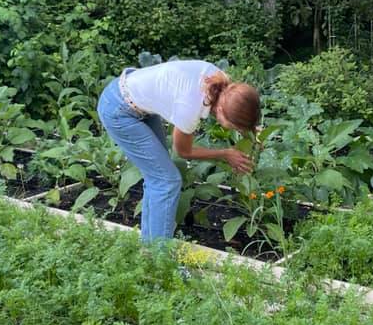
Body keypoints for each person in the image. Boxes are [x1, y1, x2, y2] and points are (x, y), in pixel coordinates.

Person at [96, 59, 260, 242]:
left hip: (134, 101)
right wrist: (225, 154)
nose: (233, 129)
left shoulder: (220, 81)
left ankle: (148, 252)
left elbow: (243, 109)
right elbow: (183, 151)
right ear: (221, 109)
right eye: (233, 125)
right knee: (167, 181)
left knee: (157, 178)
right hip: (119, 110)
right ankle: (160, 259)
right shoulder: (190, 107)